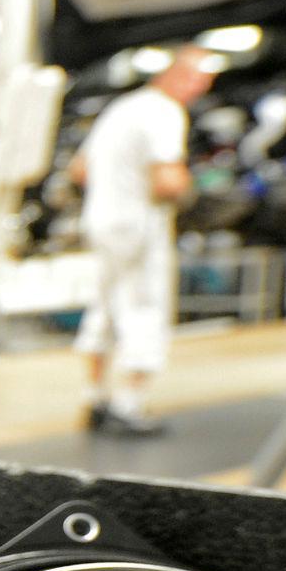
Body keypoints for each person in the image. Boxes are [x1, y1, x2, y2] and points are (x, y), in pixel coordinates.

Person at [72, 45, 217, 437]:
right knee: (145, 305)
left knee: (103, 306)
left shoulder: (120, 109)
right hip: (138, 224)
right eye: (199, 81)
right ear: (180, 76)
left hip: (100, 219)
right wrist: (193, 191)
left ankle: (94, 398)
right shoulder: (164, 112)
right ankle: (128, 405)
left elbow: (80, 170)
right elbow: (167, 179)